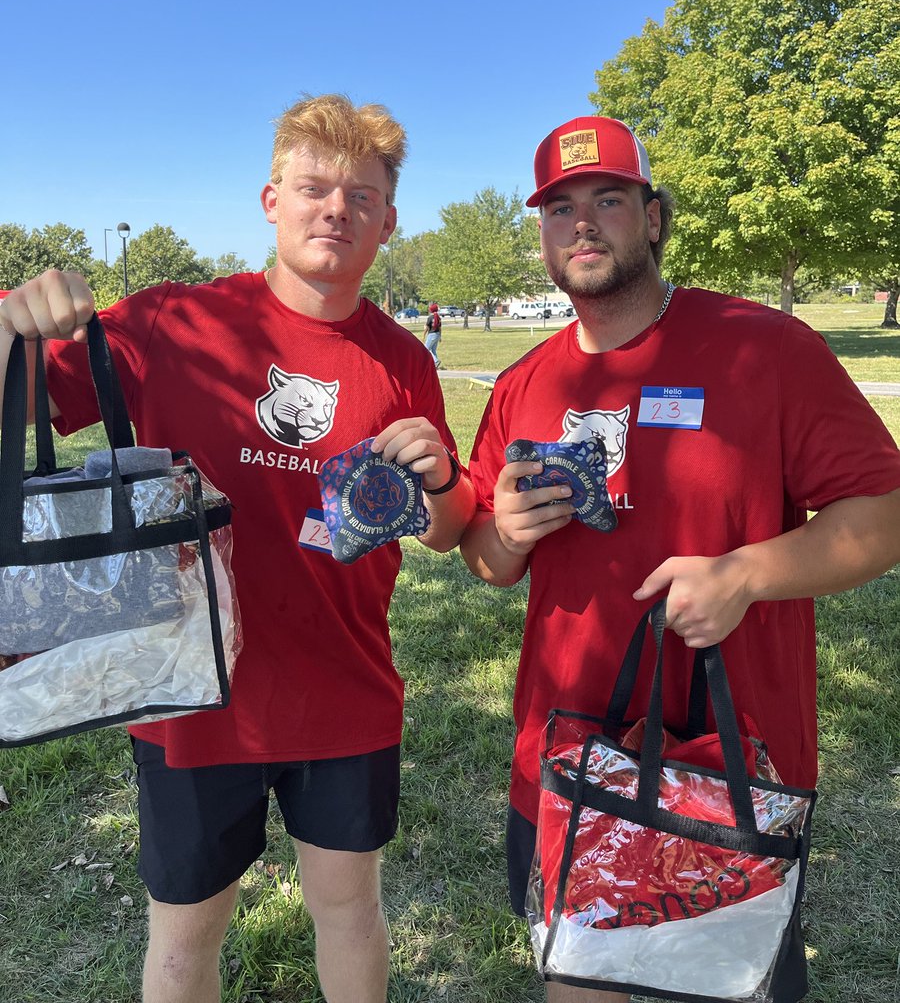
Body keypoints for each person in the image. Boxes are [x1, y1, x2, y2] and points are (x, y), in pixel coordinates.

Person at [0, 94, 475, 1003]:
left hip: (343, 688)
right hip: (189, 691)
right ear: (271, 200)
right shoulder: (172, 322)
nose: (336, 209)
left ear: (388, 222)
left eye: (362, 196)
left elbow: (447, 532)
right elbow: (22, 402)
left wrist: (444, 480)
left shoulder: (402, 361)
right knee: (186, 935)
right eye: (314, 187)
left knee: (351, 912)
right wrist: (11, 322)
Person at [459, 114, 900, 1003]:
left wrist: (746, 574)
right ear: (542, 234)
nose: (582, 224)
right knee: (581, 984)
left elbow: (883, 516)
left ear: (653, 217)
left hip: (730, 768)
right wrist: (504, 530)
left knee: (722, 986)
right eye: (559, 208)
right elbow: (487, 561)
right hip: (568, 759)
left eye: (609, 200)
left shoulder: (765, 350)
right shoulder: (524, 383)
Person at [423, 301, 442, 366]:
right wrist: (440, 336)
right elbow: (440, 328)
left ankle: (436, 361)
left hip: (432, 335)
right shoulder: (438, 318)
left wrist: (424, 334)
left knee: (426, 349)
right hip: (437, 334)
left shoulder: (430, 317)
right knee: (433, 350)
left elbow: (427, 327)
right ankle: (435, 364)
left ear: (431, 310)